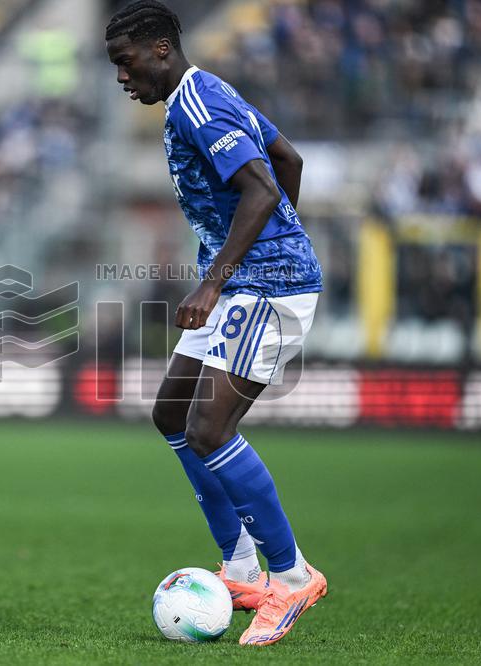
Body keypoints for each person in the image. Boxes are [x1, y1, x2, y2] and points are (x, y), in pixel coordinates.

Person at [105, 0, 327, 647]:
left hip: (264, 291)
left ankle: (290, 577)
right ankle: (239, 569)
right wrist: (275, 241)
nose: (122, 77)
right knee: (173, 414)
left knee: (209, 426)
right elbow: (289, 161)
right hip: (249, 282)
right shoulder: (199, 99)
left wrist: (220, 276)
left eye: (126, 63)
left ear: (161, 52)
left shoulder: (201, 102)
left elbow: (262, 186)